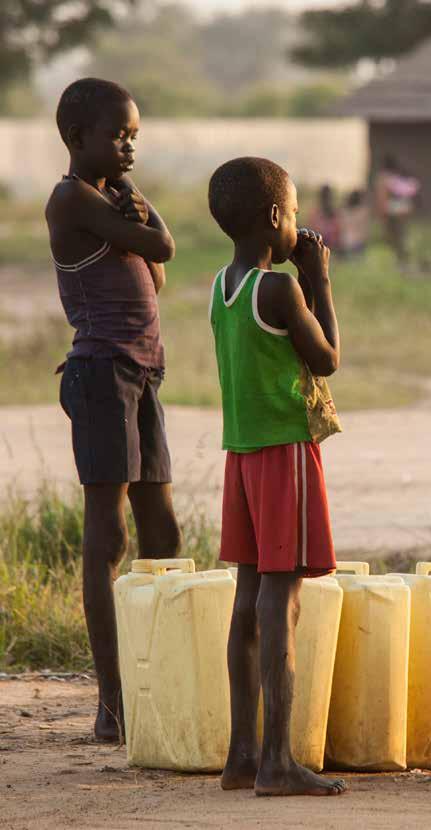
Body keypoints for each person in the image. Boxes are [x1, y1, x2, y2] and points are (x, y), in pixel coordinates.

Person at [45, 78, 181, 742]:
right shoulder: (73, 199)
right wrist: (146, 218)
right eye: (117, 135)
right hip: (102, 373)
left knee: (164, 535)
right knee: (109, 536)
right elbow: (163, 251)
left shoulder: (113, 201)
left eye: (134, 137)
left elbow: (155, 277)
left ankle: (164, 677)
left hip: (142, 374)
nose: (129, 146)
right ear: (78, 140)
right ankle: (114, 700)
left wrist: (138, 213)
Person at [207, 156, 346, 797]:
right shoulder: (280, 290)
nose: (298, 225)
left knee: (246, 597)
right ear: (273, 219)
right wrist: (319, 282)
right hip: (283, 452)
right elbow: (327, 359)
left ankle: (241, 755)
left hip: (240, 454)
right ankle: (277, 761)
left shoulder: (220, 288)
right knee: (280, 598)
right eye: (293, 214)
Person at [375, 155, 420, 270]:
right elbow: (409, 192)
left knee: (394, 237)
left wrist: (382, 212)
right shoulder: (395, 179)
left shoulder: (383, 179)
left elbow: (382, 198)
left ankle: (399, 261)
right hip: (399, 211)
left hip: (392, 211)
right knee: (400, 236)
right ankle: (402, 260)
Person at [309, 184, 341, 251]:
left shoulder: (336, 214)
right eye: (325, 197)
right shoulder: (315, 213)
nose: (326, 200)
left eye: (328, 197)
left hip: (333, 248)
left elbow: (338, 235)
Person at [339, 189, 369, 258]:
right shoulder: (363, 212)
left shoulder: (344, 212)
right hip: (358, 243)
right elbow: (365, 232)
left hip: (345, 242)